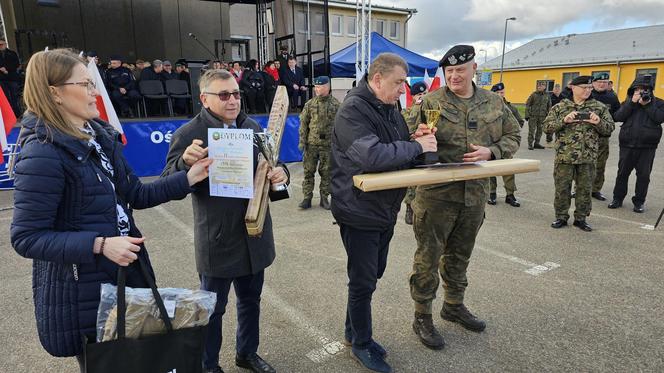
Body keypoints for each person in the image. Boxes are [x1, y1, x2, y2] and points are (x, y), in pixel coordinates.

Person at [10, 49, 211, 371]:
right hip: (86, 294)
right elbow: (26, 237)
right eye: (85, 84)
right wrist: (100, 244)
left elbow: (135, 194)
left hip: (126, 274)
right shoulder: (42, 152)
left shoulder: (98, 137)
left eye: (93, 83)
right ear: (54, 93)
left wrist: (187, 178)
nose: (94, 92)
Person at [162, 69, 287, 373]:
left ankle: (247, 353)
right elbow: (168, 182)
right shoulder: (189, 134)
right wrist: (184, 163)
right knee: (212, 311)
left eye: (236, 94)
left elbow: (273, 165)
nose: (232, 100)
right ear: (204, 99)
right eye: (224, 95)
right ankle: (209, 366)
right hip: (218, 239)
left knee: (250, 301)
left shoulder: (255, 127)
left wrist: (280, 177)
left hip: (254, 234)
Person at [407, 45, 520, 350]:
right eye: (449, 71)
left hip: (474, 194)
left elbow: (514, 135)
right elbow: (404, 138)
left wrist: (492, 152)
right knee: (428, 258)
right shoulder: (431, 101)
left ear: (474, 69)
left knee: (460, 256)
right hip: (436, 196)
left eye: (460, 69)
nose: (454, 76)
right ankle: (422, 315)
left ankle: (453, 305)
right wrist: (417, 140)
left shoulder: (494, 102)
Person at [331, 52, 437, 373]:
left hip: (383, 207)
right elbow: (372, 156)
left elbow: (395, 147)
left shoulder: (389, 106)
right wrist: (417, 148)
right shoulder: (352, 110)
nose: (402, 89)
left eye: (404, 83)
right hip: (359, 208)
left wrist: (413, 140)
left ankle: (353, 332)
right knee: (363, 281)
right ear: (377, 80)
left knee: (372, 274)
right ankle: (362, 343)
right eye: (398, 83)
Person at [543, 76, 614, 232]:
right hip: (564, 157)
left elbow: (609, 128)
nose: (587, 91)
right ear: (573, 88)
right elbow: (547, 127)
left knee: (585, 189)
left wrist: (598, 122)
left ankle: (581, 219)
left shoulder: (599, 107)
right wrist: (564, 120)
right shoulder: (561, 107)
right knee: (562, 188)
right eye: (584, 87)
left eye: (590, 88)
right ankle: (561, 216)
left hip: (587, 157)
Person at [608, 75, 664, 213]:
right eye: (638, 89)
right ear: (633, 90)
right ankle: (617, 199)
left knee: (644, 176)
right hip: (627, 145)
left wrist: (648, 105)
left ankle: (639, 202)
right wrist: (631, 103)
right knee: (622, 174)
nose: (642, 92)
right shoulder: (627, 102)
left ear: (650, 90)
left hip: (647, 147)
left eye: (645, 89)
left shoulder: (659, 103)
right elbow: (618, 117)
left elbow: (659, 118)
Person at [298, 75, 340, 210]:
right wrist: (302, 142)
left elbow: (341, 126)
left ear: (327, 87)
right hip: (312, 144)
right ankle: (307, 198)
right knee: (308, 171)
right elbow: (303, 124)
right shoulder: (310, 104)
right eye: (315, 86)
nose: (317, 89)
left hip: (328, 145)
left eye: (319, 86)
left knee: (326, 172)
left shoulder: (336, 105)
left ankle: (324, 198)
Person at [488, 82, 524, 207]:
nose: (499, 95)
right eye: (497, 93)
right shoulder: (487, 107)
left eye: (502, 92)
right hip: (491, 144)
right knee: (490, 171)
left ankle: (510, 195)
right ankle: (491, 193)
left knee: (508, 170)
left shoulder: (509, 107)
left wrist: (513, 129)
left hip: (505, 144)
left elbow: (519, 120)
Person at [401, 80, 428, 225]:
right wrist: (417, 108)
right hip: (413, 150)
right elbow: (409, 128)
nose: (422, 97)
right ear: (412, 97)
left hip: (429, 151)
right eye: (419, 94)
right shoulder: (405, 112)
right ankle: (409, 208)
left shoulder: (432, 111)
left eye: (425, 94)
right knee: (412, 184)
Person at [590, 73, 620, 201]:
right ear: (593, 83)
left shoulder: (612, 97)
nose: (602, 84)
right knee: (583, 164)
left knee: (600, 165)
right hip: (586, 136)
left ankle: (596, 189)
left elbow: (617, 114)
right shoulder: (588, 95)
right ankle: (579, 189)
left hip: (602, 137)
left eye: (605, 82)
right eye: (599, 82)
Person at [525, 81, 552, 149]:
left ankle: (537, 143)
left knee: (540, 130)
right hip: (533, 115)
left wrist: (549, 116)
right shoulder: (534, 95)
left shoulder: (547, 95)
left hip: (543, 116)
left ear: (545, 87)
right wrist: (527, 114)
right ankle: (530, 144)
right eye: (539, 86)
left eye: (541, 85)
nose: (539, 87)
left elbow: (549, 106)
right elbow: (528, 104)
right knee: (532, 130)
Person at [0, 38, 22, 116]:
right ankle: (10, 115)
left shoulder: (12, 53)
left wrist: (6, 69)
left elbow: (16, 64)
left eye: (2, 44)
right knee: (6, 98)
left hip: (12, 78)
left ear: (5, 44)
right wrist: (2, 69)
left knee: (14, 96)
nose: (1, 46)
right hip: (2, 79)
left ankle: (17, 114)